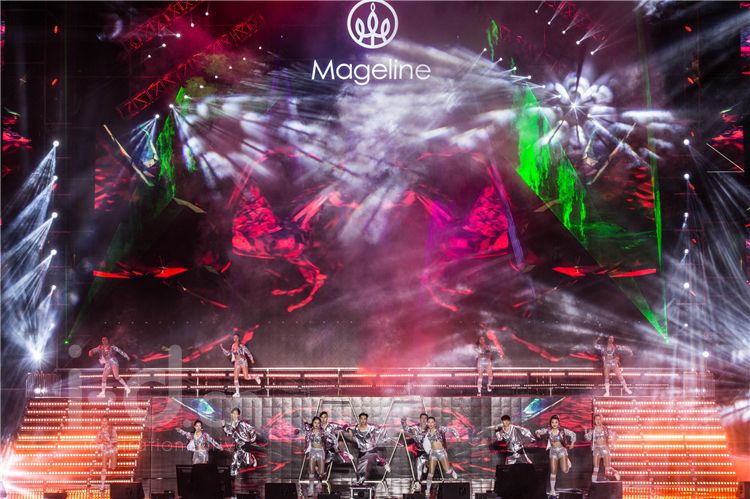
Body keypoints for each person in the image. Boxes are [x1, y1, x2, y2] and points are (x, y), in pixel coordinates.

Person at [535, 415, 577, 498]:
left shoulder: (562, 431)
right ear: (550, 423)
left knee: (565, 470)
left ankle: (567, 460)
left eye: (556, 422)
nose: (554, 424)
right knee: (553, 471)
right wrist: (537, 433)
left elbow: (573, 434)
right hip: (553, 452)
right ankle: (552, 490)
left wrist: (572, 443)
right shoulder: (548, 430)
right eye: (552, 422)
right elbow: (538, 431)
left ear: (558, 423)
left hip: (562, 451)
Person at [344, 413, 390, 486]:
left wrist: (385, 439)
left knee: (372, 457)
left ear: (366, 419)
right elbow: (344, 426)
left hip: (371, 449)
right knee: (360, 471)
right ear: (359, 419)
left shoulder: (371, 427)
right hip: (361, 452)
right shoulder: (355, 428)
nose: (363, 420)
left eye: (364, 419)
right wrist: (349, 429)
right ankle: (360, 484)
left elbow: (382, 430)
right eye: (361, 419)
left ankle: (383, 462)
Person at [423, 416, 460, 495]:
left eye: (432, 422)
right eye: (429, 422)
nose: (430, 424)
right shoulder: (427, 433)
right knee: (431, 473)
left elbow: (451, 430)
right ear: (427, 423)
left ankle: (451, 470)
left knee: (447, 471)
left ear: (434, 423)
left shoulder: (440, 429)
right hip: (433, 453)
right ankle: (427, 490)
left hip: (441, 452)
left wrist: (457, 436)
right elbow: (424, 443)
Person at [221, 332, 260, 398]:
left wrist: (251, 359)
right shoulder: (233, 346)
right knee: (235, 378)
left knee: (246, 377)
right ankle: (237, 392)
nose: (235, 339)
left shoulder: (241, 346)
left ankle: (256, 376)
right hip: (237, 362)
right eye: (234, 338)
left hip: (243, 361)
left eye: (236, 337)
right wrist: (223, 349)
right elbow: (229, 353)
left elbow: (247, 352)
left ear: (238, 338)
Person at [221, 408, 258, 477]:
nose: (235, 415)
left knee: (248, 462)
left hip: (245, 443)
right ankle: (233, 475)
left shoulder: (242, 423)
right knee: (235, 459)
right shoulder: (232, 425)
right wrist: (223, 426)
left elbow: (252, 429)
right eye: (233, 413)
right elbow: (229, 432)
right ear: (231, 414)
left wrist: (252, 439)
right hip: (238, 444)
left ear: (238, 415)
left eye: (236, 414)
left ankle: (252, 459)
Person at [585, 414, 620, 482]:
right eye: (596, 419)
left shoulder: (605, 429)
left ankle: (615, 472)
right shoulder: (592, 430)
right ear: (594, 421)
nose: (598, 421)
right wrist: (586, 434)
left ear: (602, 420)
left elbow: (615, 434)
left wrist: (613, 444)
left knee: (607, 468)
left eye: (599, 419)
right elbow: (588, 439)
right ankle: (593, 483)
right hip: (596, 448)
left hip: (604, 448)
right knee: (595, 468)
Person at [401, 412, 429, 492]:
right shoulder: (415, 428)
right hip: (419, 451)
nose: (423, 420)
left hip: (429, 451)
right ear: (420, 419)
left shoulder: (430, 429)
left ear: (427, 420)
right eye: (422, 418)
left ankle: (426, 465)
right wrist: (403, 420)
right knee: (419, 463)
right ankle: (418, 482)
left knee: (425, 459)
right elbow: (406, 428)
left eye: (425, 418)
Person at [302, 416, 326, 496]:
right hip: (312, 451)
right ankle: (311, 488)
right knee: (311, 471)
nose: (316, 424)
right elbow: (307, 427)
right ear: (312, 423)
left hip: (320, 451)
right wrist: (305, 422)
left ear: (320, 424)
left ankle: (319, 483)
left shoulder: (323, 432)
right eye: (315, 422)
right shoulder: (310, 431)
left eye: (318, 423)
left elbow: (328, 440)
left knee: (321, 472)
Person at [96, 416, 118, 490]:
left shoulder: (112, 429)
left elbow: (116, 439)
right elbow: (97, 440)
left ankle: (111, 463)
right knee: (104, 468)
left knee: (113, 467)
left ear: (108, 422)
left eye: (105, 421)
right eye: (102, 421)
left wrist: (109, 442)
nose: (104, 422)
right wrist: (102, 441)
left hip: (112, 449)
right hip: (105, 450)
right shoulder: (99, 430)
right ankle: (102, 485)